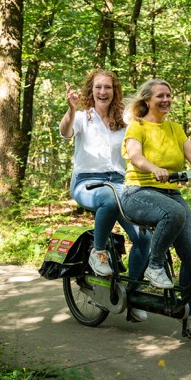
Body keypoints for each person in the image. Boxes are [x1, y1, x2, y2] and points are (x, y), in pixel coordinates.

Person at [120, 79, 191, 339]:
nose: (166, 100)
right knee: (174, 213)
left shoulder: (175, 128)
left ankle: (190, 317)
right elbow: (135, 156)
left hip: (171, 194)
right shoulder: (137, 127)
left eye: (169, 95)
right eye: (160, 96)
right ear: (147, 101)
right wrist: (154, 168)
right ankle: (154, 265)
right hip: (138, 193)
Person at [59, 69, 150, 322]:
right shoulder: (80, 117)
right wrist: (70, 108)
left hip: (121, 184)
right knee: (108, 199)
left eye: (108, 87)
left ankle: (133, 295)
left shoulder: (125, 120)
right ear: (91, 90)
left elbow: (140, 144)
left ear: (114, 91)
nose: (103, 92)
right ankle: (97, 252)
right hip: (87, 183)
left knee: (144, 237)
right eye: (98, 87)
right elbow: (66, 133)